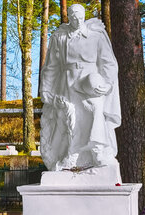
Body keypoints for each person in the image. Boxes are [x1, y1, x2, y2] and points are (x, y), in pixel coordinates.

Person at [39, 4, 121, 171]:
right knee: (71, 119)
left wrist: (107, 84)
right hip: (67, 82)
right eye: (73, 17)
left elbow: (108, 63)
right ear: (69, 17)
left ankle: (98, 148)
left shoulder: (96, 36)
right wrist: (45, 90)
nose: (77, 20)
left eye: (80, 17)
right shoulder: (60, 37)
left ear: (84, 16)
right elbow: (51, 66)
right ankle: (71, 155)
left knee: (95, 110)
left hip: (90, 82)